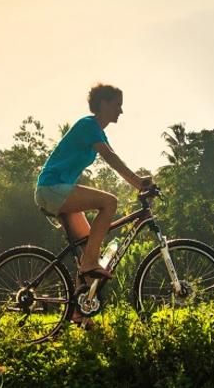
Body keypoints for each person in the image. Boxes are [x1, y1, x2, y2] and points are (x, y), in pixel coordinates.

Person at [35, 84, 154, 285]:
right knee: (110, 202)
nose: (121, 110)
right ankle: (90, 263)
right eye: (117, 104)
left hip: (57, 192)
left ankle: (80, 313)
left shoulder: (96, 131)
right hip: (51, 189)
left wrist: (139, 182)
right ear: (103, 103)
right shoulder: (88, 125)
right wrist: (138, 183)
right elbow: (111, 157)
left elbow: (111, 154)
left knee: (89, 249)